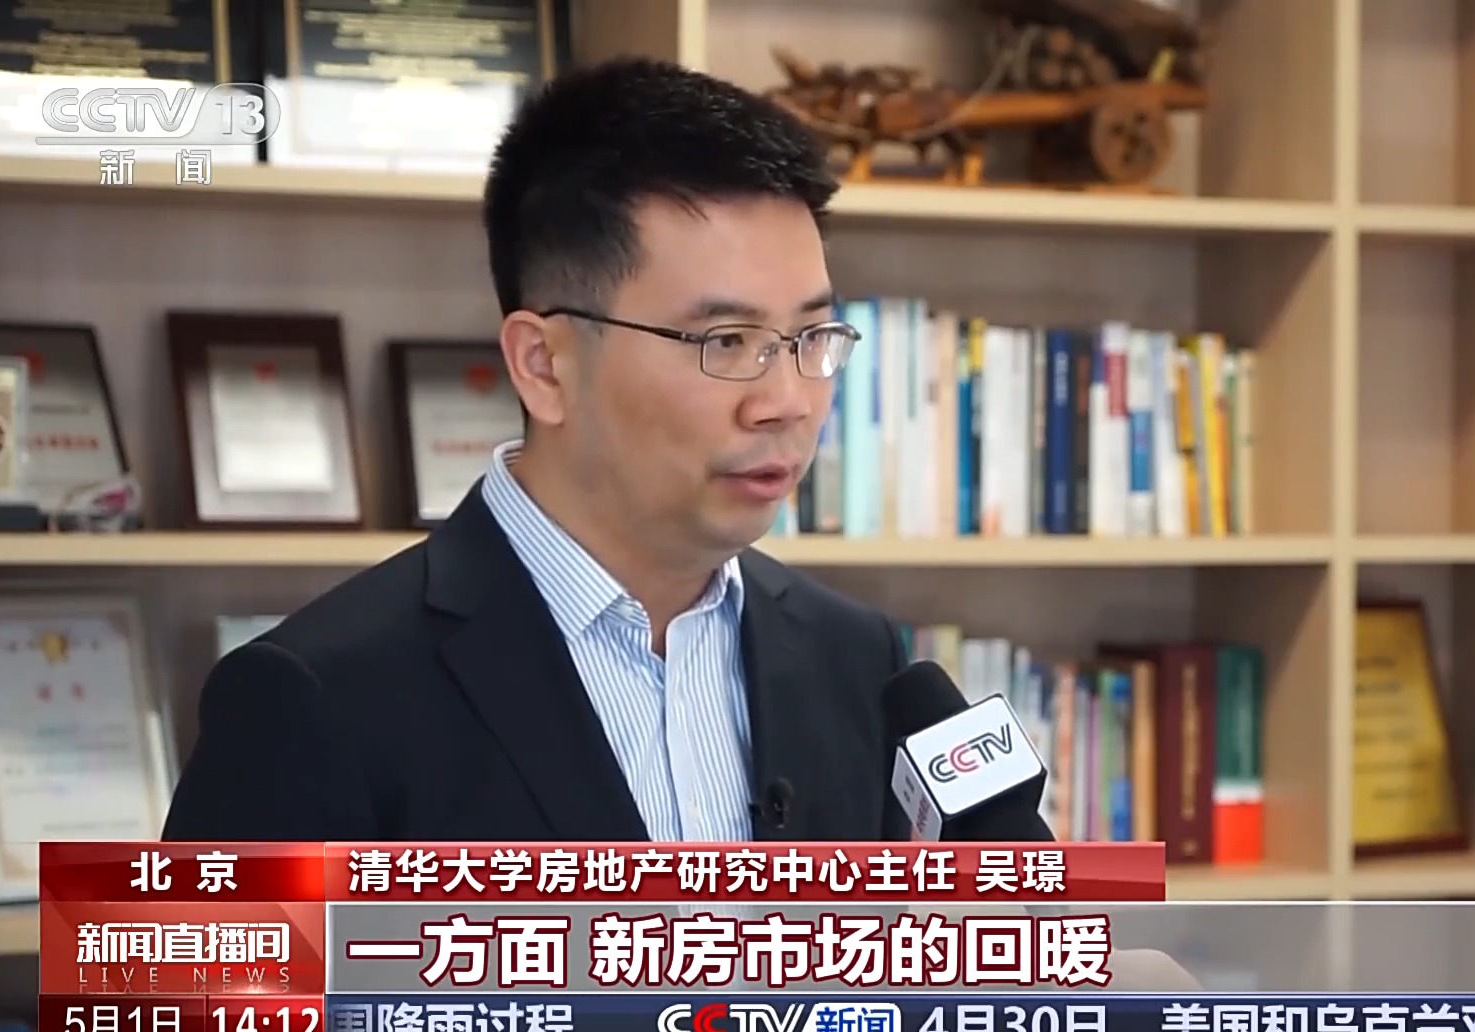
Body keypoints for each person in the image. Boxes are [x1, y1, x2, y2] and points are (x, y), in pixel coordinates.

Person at [162, 58, 1007, 845]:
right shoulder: (314, 698)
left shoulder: (859, 661)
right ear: (544, 365)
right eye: (725, 341)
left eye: (811, 337)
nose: (786, 401)